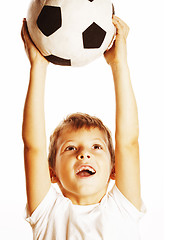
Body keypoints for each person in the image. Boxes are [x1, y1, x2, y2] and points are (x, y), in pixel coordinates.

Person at [21, 15, 145, 239]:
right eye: (70, 148)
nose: (84, 154)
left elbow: (128, 143)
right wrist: (38, 67)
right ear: (51, 172)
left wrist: (119, 64)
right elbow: (34, 147)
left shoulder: (122, 208)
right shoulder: (47, 212)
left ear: (115, 169)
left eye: (96, 147)